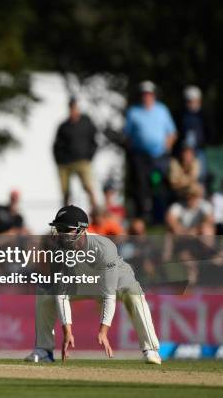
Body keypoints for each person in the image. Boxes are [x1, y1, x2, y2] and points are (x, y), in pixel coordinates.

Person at [24, 205, 161, 365]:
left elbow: (108, 294)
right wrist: (67, 332)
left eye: (66, 229)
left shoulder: (103, 247)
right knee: (45, 292)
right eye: (59, 229)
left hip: (116, 282)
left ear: (82, 230)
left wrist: (103, 331)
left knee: (134, 292)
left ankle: (150, 349)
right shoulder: (58, 249)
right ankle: (44, 350)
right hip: (83, 282)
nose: (61, 234)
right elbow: (61, 293)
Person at [123, 80, 177, 219]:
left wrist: (166, 148)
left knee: (159, 184)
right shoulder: (133, 112)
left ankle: (161, 214)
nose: (147, 96)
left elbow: (172, 133)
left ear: (154, 95)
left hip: (159, 157)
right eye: (144, 94)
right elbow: (127, 135)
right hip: (141, 157)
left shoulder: (162, 110)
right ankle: (142, 216)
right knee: (141, 186)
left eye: (149, 94)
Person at [53, 98, 98, 209]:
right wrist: (59, 159)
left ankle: (96, 211)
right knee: (65, 190)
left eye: (75, 107)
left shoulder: (86, 123)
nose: (73, 110)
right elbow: (56, 145)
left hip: (82, 160)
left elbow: (94, 141)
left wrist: (89, 156)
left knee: (88, 186)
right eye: (71, 108)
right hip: (65, 162)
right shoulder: (63, 126)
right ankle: (65, 212)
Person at [177, 85, 214, 180]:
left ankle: (202, 192)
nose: (192, 103)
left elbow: (209, 132)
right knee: (185, 175)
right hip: (184, 151)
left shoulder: (204, 114)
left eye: (195, 100)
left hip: (199, 149)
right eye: (189, 101)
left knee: (201, 173)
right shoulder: (181, 115)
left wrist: (204, 143)